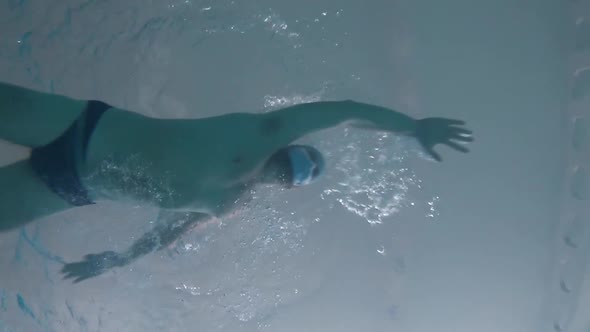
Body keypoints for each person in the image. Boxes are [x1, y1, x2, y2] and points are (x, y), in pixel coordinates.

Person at [0, 82, 473, 282]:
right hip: (79, 127)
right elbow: (345, 111)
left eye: (298, 174)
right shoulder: (255, 135)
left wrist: (113, 261)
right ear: (289, 149)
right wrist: (412, 127)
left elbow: (163, 236)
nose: (292, 169)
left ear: (290, 185)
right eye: (300, 160)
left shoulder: (226, 203)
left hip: (66, 189)